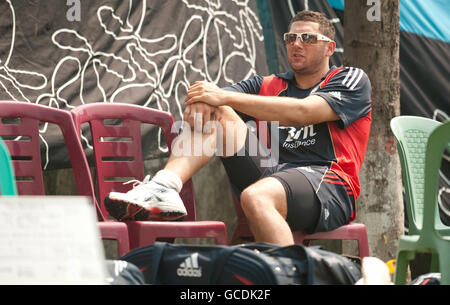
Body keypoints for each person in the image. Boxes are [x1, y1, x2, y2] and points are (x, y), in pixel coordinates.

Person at [104, 10, 372, 246]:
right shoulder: (269, 83)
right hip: (273, 170)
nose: (297, 44)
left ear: (329, 48)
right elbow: (210, 102)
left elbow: (303, 113)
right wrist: (202, 101)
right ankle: (165, 186)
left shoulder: (350, 79)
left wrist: (222, 97)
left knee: (256, 196)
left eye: (308, 39)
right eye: (291, 38)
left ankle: (290, 277)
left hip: (328, 181)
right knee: (215, 112)